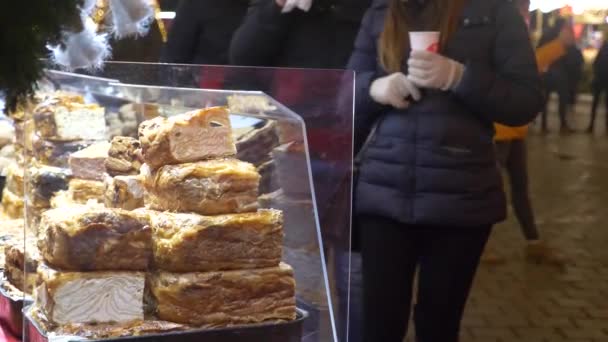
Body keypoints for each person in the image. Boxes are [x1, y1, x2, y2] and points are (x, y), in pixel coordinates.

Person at [348, 0, 543, 340]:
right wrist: (371, 89)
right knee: (378, 324)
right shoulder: (381, 11)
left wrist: (459, 77)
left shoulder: (494, 10)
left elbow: (525, 101)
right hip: (384, 195)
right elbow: (345, 93)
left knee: (439, 324)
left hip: (461, 199)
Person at [485, 0, 573, 266]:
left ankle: (533, 242)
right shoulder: (499, 33)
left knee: (520, 189)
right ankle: (481, 244)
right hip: (499, 132)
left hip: (515, 133)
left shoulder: (511, 31)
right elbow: (532, 64)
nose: (525, 16)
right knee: (488, 190)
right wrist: (560, 44)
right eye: (523, 10)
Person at [160, 0, 249, 65]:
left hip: (249, 83)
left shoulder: (259, 8)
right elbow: (173, 58)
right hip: (201, 85)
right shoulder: (196, 4)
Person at [538, 18, 576, 133]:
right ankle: (563, 125)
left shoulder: (546, 34)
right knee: (562, 100)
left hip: (547, 71)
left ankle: (543, 126)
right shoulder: (563, 36)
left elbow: (539, 50)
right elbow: (570, 52)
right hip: (560, 71)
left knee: (545, 99)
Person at [588, 40, 608, 133]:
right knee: (601, 103)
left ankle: (591, 125)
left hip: (600, 78)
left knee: (595, 103)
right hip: (601, 78)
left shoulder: (604, 46)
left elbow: (596, 62)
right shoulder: (604, 46)